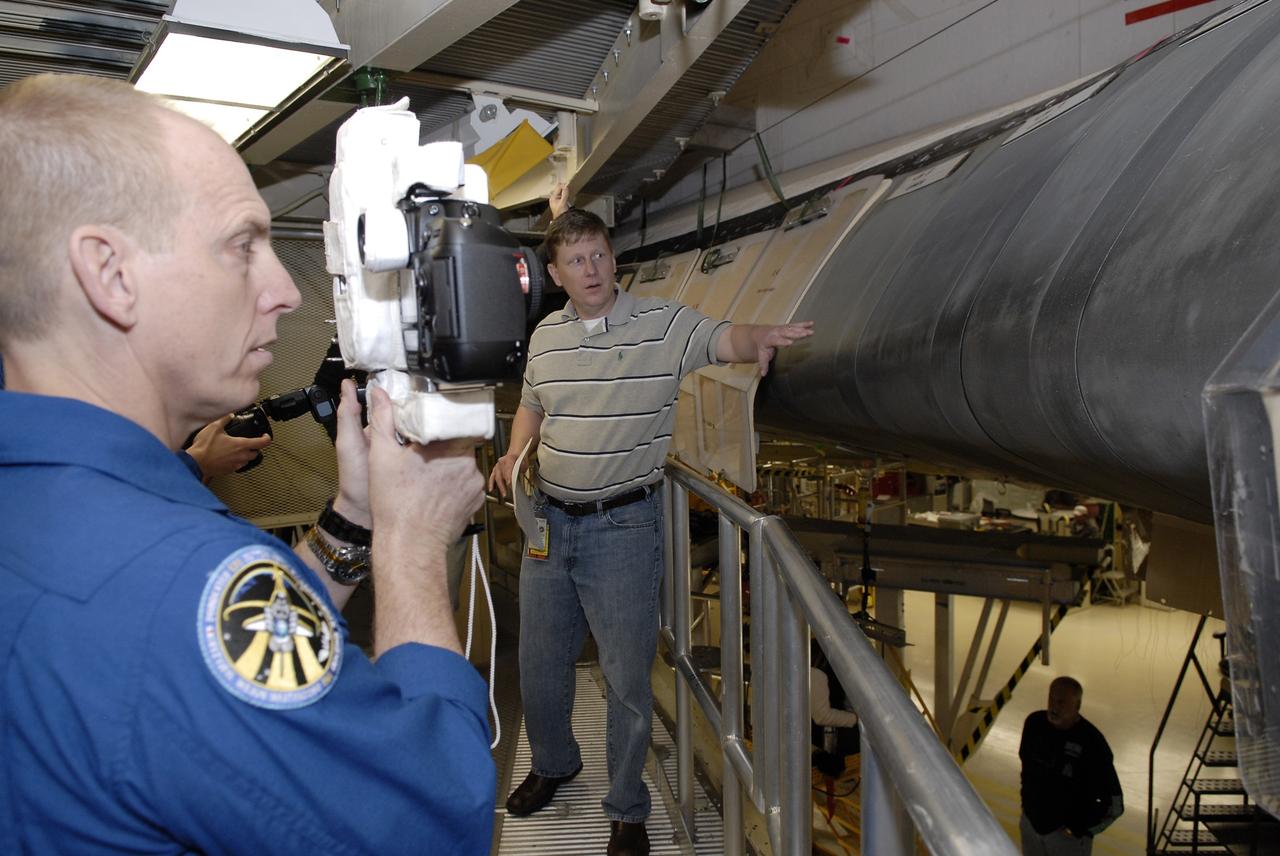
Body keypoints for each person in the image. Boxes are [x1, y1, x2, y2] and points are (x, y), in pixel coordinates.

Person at [0, 74, 494, 854]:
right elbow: (431, 821)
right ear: (110, 274)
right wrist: (412, 542)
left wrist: (356, 520)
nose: (282, 291)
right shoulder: (168, 583)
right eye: (242, 245)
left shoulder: (54, 509)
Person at [489, 207, 813, 855]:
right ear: (555, 274)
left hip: (622, 529)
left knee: (628, 678)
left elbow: (727, 339)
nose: (593, 269)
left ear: (615, 260)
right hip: (548, 523)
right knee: (540, 663)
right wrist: (512, 454)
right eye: (577, 260)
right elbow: (532, 407)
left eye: (601, 255)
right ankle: (555, 763)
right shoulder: (548, 336)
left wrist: (762, 339)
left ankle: (627, 809)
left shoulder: (662, 324)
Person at [1019, 676, 1124, 855]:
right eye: (1051, 698)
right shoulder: (1034, 724)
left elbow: (1114, 805)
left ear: (1077, 705)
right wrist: (1027, 809)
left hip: (1066, 840)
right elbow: (1026, 769)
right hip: (1031, 827)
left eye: (1061, 702)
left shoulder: (1092, 743)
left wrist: (1079, 829)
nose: (1054, 706)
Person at [811, 639, 859, 777]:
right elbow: (822, 716)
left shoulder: (827, 660)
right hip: (820, 733)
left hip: (821, 732)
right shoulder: (818, 670)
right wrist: (858, 719)